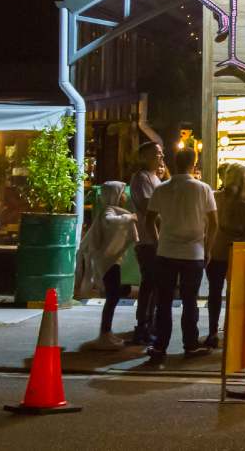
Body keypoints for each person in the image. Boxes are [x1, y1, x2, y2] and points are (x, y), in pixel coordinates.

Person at [144, 147, 218, 365]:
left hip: (166, 251)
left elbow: (149, 220)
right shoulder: (203, 189)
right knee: (190, 301)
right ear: (193, 164)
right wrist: (208, 248)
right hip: (194, 253)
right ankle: (190, 345)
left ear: (174, 163)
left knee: (164, 301)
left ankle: (160, 346)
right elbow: (214, 223)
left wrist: (158, 241)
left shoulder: (162, 188)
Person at [205, 163, 245, 349]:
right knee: (236, 294)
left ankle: (213, 332)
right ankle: (233, 331)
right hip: (241, 251)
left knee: (214, 292)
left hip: (217, 249)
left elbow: (208, 224)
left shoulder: (216, 197)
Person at [78, 181, 138, 351]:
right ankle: (104, 334)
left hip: (112, 261)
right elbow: (110, 221)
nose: (125, 196)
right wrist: (129, 218)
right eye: (122, 192)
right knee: (112, 297)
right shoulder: (108, 211)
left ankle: (107, 332)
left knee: (114, 296)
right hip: (108, 262)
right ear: (114, 195)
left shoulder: (114, 210)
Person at [128, 142, 164, 345]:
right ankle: (142, 326)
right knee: (149, 283)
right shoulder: (141, 178)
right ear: (144, 156)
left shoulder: (155, 177)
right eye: (156, 153)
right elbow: (149, 208)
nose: (161, 156)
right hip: (148, 239)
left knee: (155, 283)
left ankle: (150, 323)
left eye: (161, 153)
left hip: (157, 239)